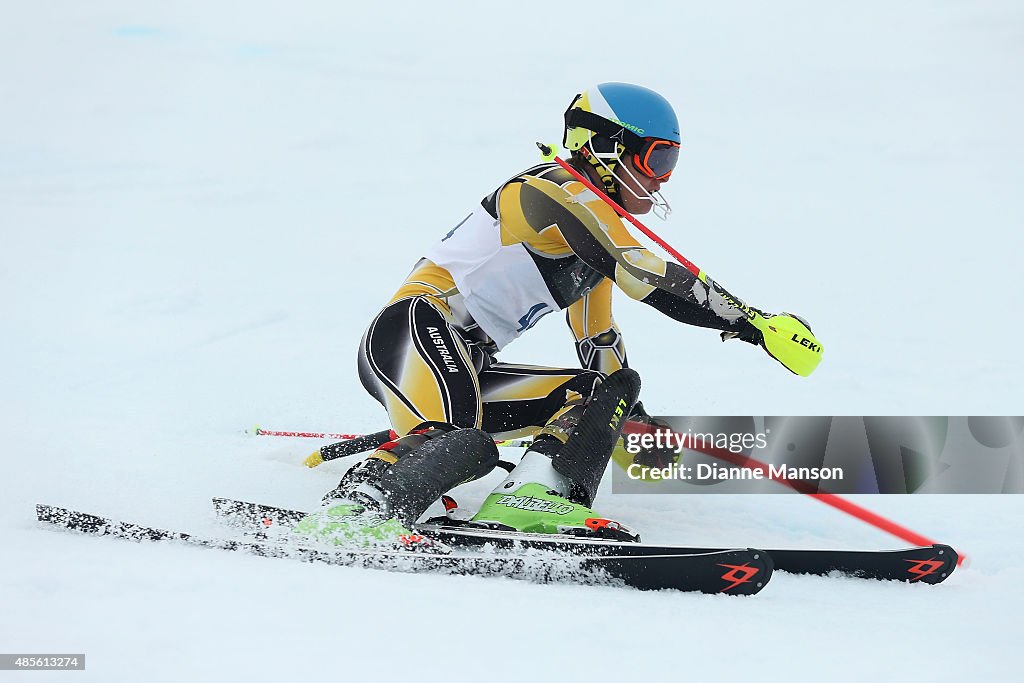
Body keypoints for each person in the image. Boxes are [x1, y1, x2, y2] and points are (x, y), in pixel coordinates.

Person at [295, 82, 808, 548]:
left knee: (601, 394)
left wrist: (624, 423)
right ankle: (355, 509)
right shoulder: (542, 193)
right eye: (656, 158)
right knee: (461, 445)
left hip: (467, 362)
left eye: (672, 160)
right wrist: (751, 322)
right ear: (605, 147)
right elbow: (641, 272)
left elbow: (600, 343)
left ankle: (535, 499)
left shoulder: (599, 237)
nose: (663, 178)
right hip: (411, 333)